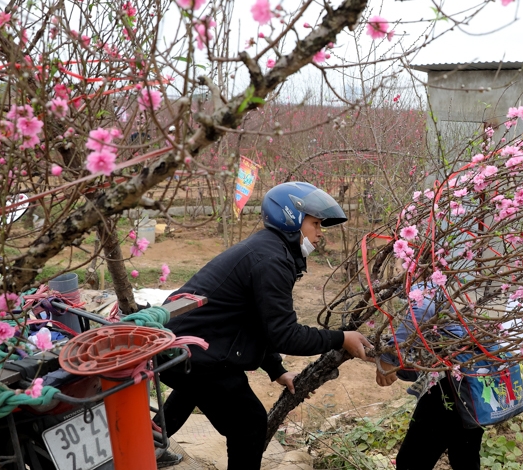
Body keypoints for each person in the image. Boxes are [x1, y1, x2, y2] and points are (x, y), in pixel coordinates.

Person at [159, 181, 373, 469]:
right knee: (249, 422)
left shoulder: (271, 250)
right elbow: (286, 335)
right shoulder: (271, 259)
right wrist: (340, 337)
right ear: (291, 218)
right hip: (193, 350)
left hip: (185, 344)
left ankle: (148, 446)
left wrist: (276, 370)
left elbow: (259, 321)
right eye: (316, 224)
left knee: (195, 388)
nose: (320, 234)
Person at [375, 284, 485, 470]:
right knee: (465, 457)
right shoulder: (454, 277)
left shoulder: (427, 281)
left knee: (412, 462)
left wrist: (389, 357)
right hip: (473, 380)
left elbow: (421, 311)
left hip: (448, 386)